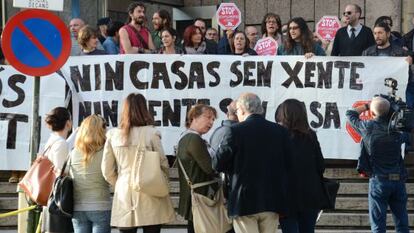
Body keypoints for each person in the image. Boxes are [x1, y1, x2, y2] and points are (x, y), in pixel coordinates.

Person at [213, 93, 291, 233]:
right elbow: (289, 164)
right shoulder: (280, 131)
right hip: (272, 200)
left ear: (242, 109)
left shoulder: (234, 131)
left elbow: (218, 164)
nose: (237, 114)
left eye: (237, 111)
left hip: (244, 201)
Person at [102, 93, 175, 233]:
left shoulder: (113, 135)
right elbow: (163, 164)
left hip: (124, 192)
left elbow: (106, 170)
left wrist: (120, 181)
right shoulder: (152, 133)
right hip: (150, 189)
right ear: (144, 110)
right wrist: (161, 181)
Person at [346, 97, 410, 233]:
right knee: (402, 224)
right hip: (397, 180)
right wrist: (395, 106)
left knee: (378, 226)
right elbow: (408, 125)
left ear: (372, 113)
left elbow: (350, 114)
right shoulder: (398, 130)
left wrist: (368, 106)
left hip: (379, 181)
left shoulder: (367, 128)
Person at [275, 99, 326, 233]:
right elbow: (321, 165)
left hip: (286, 196)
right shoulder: (311, 136)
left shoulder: (278, 136)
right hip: (311, 195)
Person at [176, 104, 218, 233]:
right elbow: (210, 168)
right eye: (208, 117)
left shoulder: (186, 137)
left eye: (213, 119)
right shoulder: (194, 139)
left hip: (195, 195)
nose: (211, 122)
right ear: (194, 117)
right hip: (201, 197)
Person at [69, 115, 111, 233]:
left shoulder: (73, 152)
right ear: (101, 129)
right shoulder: (106, 151)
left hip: (78, 208)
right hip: (100, 205)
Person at [362, 23, 413, 107]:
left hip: (396, 93)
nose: (377, 36)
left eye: (380, 33)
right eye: (375, 33)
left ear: (388, 34)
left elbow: (408, 76)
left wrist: (411, 58)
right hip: (375, 92)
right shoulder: (367, 53)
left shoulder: (401, 52)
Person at [42, 107, 73, 232]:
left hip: (52, 196)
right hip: (58, 199)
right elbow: (61, 172)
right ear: (68, 123)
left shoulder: (52, 140)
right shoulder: (61, 143)